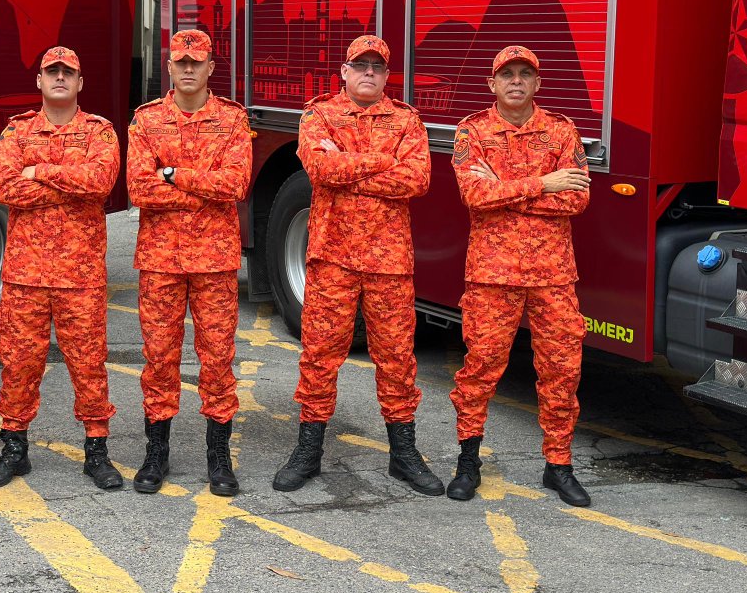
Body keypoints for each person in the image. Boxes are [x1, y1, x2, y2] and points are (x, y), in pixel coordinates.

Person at [274, 34, 443, 496]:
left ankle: (404, 455)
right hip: (332, 260)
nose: (368, 72)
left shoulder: (406, 120)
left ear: (387, 76)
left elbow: (418, 179)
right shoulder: (319, 115)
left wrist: (349, 164)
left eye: (377, 66)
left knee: (396, 360)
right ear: (344, 72)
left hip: (389, 262)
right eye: (360, 64)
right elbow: (321, 171)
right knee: (319, 357)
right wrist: (383, 162)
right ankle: (308, 451)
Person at [447, 44, 594, 507]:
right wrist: (543, 183)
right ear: (491, 83)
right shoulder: (472, 131)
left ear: (537, 83)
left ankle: (559, 465)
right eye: (506, 74)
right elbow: (474, 194)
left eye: (524, 75)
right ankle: (468, 460)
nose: (515, 81)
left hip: (552, 276)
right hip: (493, 275)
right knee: (481, 368)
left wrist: (506, 192)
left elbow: (577, 199)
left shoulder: (561, 131)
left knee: (561, 372)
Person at [0, 47, 122, 491]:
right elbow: (5, 188)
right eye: (52, 72)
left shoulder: (101, 132)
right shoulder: (17, 130)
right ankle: (13, 449)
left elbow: (100, 183)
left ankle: (97, 452)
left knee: (89, 365)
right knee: (19, 364)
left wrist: (38, 170)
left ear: (80, 83)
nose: (60, 77)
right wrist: (68, 182)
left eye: (69, 72)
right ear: (39, 82)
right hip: (26, 275)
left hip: (80, 275)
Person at [127, 28, 252, 496]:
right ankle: (156, 454)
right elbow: (139, 189)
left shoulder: (233, 121)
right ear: (170, 66)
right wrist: (204, 188)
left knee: (217, 360)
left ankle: (218, 458)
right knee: (159, 359)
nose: (187, 68)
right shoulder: (146, 121)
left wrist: (175, 175)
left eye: (195, 62)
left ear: (210, 68)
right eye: (180, 61)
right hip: (160, 261)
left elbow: (236, 184)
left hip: (214, 262)